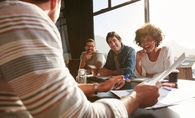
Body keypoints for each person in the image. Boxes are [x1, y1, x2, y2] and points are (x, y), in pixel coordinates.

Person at [0, 0, 159, 118]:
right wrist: (136, 97)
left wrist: (99, 87)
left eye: (114, 41)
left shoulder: (11, 15)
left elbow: (117, 70)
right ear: (55, 2)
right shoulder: (25, 17)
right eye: (110, 42)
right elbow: (81, 115)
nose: (112, 44)